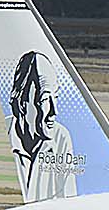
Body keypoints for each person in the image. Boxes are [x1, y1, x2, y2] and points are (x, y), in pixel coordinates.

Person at [7, 50, 78, 199]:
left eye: (56, 97)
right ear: (21, 103)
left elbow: (70, 202)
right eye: (45, 99)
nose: (54, 111)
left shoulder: (60, 138)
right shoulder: (4, 135)